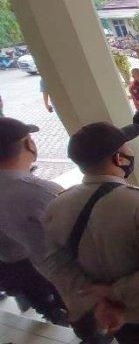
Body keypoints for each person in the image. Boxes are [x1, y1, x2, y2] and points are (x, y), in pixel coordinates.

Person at [43, 121, 139, 343]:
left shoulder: (57, 205)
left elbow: (56, 263)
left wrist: (95, 298)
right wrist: (113, 292)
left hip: (107, 314)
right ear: (119, 158)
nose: (130, 152)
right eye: (126, 148)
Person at [0, 118, 69, 327]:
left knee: (47, 306)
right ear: (29, 143)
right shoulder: (38, 191)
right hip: (53, 271)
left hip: (10, 265)